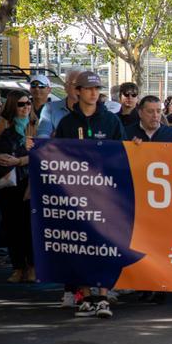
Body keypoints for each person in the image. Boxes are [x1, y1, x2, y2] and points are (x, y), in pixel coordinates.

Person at [54, 71, 126, 318]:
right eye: (88, 89)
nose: (94, 93)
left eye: (97, 89)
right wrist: (34, 147)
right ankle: (85, 296)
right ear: (78, 92)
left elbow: (124, 153)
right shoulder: (67, 123)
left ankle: (104, 297)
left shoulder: (111, 121)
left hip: (105, 194)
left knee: (104, 244)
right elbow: (55, 154)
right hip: (76, 194)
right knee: (80, 245)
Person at [0, 90, 36, 284]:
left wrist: (19, 161)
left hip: (28, 181)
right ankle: (18, 267)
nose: (26, 107)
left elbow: (42, 155)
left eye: (28, 103)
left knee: (29, 226)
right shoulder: (3, 124)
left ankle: (33, 267)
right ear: (12, 106)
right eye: (21, 104)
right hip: (7, 183)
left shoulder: (36, 124)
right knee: (12, 226)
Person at [37, 69, 83, 138]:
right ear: (66, 87)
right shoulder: (50, 109)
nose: (80, 89)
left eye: (83, 85)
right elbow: (43, 138)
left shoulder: (96, 111)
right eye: (76, 84)